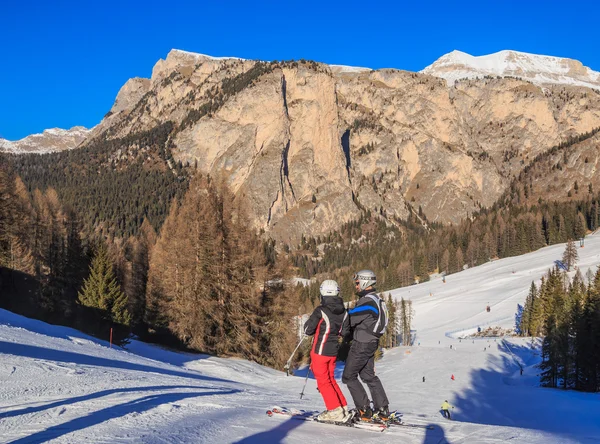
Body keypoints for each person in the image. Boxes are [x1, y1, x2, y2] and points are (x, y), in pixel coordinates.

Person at [342, 270, 390, 422]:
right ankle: (382, 409)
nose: (356, 286)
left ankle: (364, 410)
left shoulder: (367, 301)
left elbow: (351, 318)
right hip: (371, 343)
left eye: (357, 283)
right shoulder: (376, 299)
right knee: (368, 376)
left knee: (349, 376)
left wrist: (341, 326)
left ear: (364, 282)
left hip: (362, 343)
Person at [304, 279, 351, 423]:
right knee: (330, 379)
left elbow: (307, 330)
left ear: (323, 293)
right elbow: (345, 333)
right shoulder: (344, 312)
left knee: (323, 382)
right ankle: (341, 407)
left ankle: (334, 410)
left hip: (320, 350)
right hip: (333, 352)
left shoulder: (321, 310)